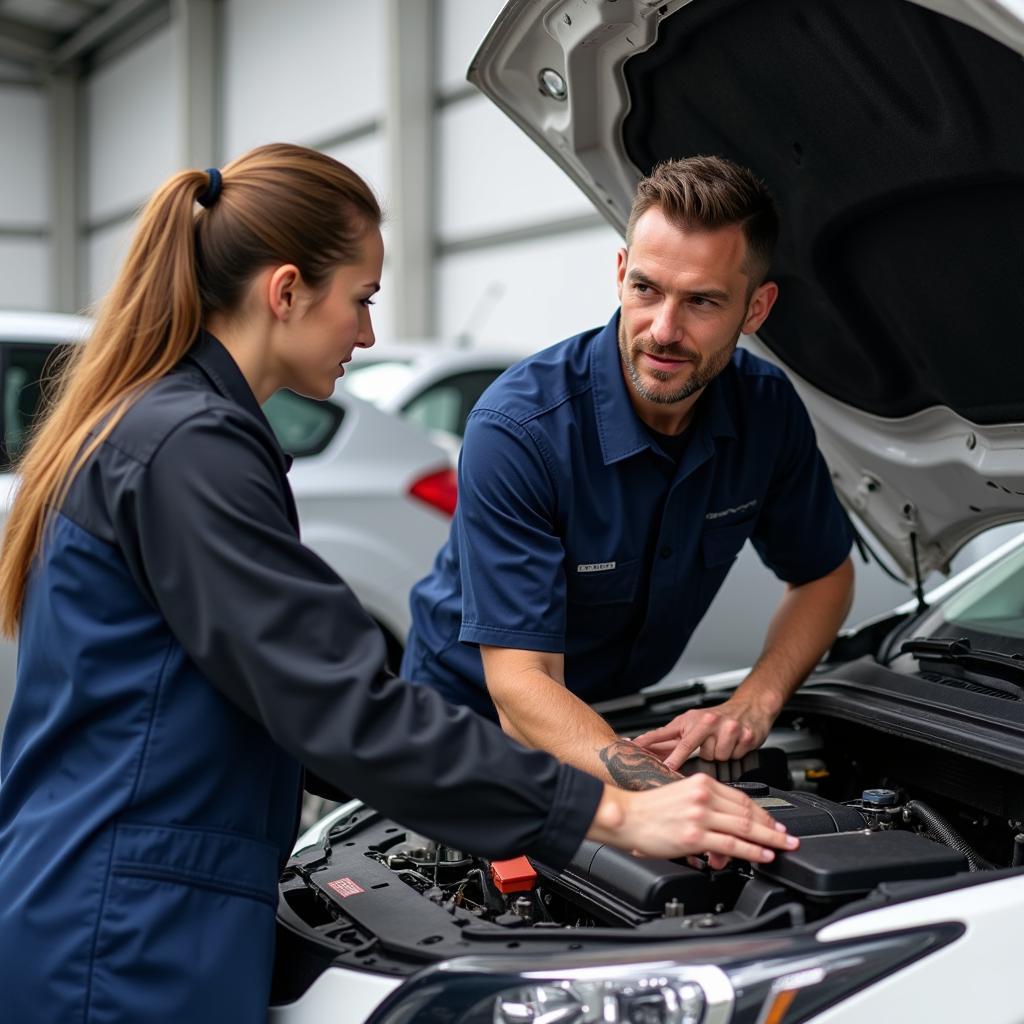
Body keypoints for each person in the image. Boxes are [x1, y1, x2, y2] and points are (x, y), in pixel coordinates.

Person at [0, 145, 796, 1023]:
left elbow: (288, 709)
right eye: (362, 300)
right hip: (124, 937)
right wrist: (609, 815)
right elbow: (339, 705)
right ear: (288, 290)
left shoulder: (169, 425)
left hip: (127, 905)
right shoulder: (190, 450)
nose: (368, 334)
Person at [403, 155, 855, 789]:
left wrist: (755, 701)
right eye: (647, 288)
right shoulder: (519, 430)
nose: (663, 330)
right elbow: (520, 685)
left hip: (619, 718)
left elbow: (824, 577)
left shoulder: (768, 411)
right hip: (468, 721)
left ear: (756, 309)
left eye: (702, 301)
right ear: (620, 274)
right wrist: (670, 800)